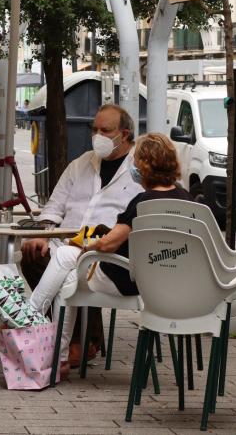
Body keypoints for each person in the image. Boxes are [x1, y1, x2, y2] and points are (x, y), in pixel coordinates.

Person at [28, 132, 192, 379]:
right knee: (69, 282)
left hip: (125, 277)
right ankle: (58, 359)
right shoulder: (187, 199)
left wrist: (86, 247)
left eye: (136, 162)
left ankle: (26, 318)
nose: (133, 167)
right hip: (165, 281)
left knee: (64, 255)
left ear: (145, 166)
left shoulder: (143, 202)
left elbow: (109, 244)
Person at [20, 104, 143, 368]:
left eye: (105, 130)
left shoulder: (138, 169)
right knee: (33, 255)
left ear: (124, 134)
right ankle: (52, 334)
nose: (97, 135)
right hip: (67, 243)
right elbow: (52, 209)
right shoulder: (80, 164)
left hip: (108, 253)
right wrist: (42, 234)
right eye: (94, 129)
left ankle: (64, 337)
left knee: (72, 268)